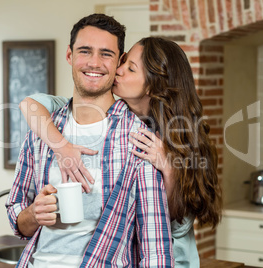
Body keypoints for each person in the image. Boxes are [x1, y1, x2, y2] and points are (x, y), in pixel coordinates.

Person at [20, 37, 223, 267]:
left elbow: (177, 226)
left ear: (152, 85)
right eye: (123, 62)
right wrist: (62, 147)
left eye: (130, 68)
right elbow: (30, 104)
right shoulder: (99, 111)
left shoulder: (176, 137)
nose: (118, 70)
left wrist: (168, 168)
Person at [6, 14, 174, 268]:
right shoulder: (41, 132)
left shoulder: (139, 140)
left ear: (119, 61)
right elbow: (19, 219)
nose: (94, 63)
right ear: (69, 56)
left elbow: (156, 250)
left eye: (106, 54)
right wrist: (33, 213)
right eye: (85, 51)